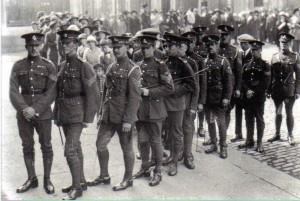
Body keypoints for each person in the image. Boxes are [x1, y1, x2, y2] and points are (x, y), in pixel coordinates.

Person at [88, 35, 141, 191]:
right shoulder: (111, 67)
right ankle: (104, 175)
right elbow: (106, 93)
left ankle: (128, 178)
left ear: (127, 47)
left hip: (123, 117)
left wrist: (128, 120)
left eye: (119, 47)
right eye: (114, 47)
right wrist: (101, 114)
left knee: (127, 149)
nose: (116, 50)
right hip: (109, 116)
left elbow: (134, 98)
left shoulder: (133, 69)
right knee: (100, 145)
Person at [9, 32, 57, 194]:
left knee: (46, 146)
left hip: (42, 113)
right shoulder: (18, 66)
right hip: (24, 113)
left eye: (37, 45)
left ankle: (47, 179)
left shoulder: (49, 65)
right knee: (27, 146)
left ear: (42, 45)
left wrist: (35, 109)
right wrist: (24, 109)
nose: (34, 48)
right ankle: (32, 178)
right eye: (31, 46)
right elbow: (13, 91)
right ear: (26, 47)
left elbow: (51, 92)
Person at [55, 29, 99, 200]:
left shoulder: (84, 66)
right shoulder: (63, 65)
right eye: (63, 44)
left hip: (77, 114)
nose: (65, 46)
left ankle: (77, 188)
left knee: (70, 150)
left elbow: (93, 94)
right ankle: (80, 182)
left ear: (76, 44)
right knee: (76, 147)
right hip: (65, 113)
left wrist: (88, 118)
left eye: (69, 43)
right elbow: (59, 92)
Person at [133, 34, 174, 186]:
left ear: (154, 47)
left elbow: (169, 88)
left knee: (156, 141)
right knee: (142, 140)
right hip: (140, 110)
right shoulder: (137, 65)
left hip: (155, 109)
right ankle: (144, 167)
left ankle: (157, 171)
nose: (144, 51)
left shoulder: (160, 65)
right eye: (142, 48)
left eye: (147, 48)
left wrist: (149, 92)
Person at [162, 32, 196, 175]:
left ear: (177, 47)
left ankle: (174, 163)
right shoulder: (164, 62)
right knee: (168, 132)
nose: (167, 49)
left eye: (170, 46)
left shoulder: (184, 64)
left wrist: (175, 91)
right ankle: (171, 156)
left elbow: (191, 85)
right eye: (167, 46)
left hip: (177, 104)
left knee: (176, 133)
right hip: (163, 103)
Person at [202, 34, 233, 159]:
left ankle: (223, 146)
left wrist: (226, 97)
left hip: (220, 99)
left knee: (221, 123)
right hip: (208, 99)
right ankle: (214, 143)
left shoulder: (223, 61)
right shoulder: (204, 62)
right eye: (208, 45)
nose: (210, 48)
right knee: (210, 121)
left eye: (212, 45)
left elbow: (228, 82)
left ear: (217, 46)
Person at [267, 32, 300, 146]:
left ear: (290, 43)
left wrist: (297, 91)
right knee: (278, 112)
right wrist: (268, 90)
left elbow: (299, 75)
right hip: (277, 89)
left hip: (289, 89)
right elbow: (270, 75)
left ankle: (290, 135)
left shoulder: (295, 56)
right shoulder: (274, 56)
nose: (283, 45)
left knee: (289, 112)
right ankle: (277, 134)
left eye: (286, 43)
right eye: (282, 42)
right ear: (279, 42)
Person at [238, 40, 271, 152]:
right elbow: (242, 80)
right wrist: (247, 90)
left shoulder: (265, 65)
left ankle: (260, 142)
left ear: (261, 50)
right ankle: (249, 140)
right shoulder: (247, 65)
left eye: (256, 50)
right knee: (248, 118)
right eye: (252, 50)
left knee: (259, 119)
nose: (254, 52)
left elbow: (265, 82)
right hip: (248, 97)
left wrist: (254, 92)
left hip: (258, 97)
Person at [177, 34, 200, 169]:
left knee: (188, 128)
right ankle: (179, 152)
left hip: (188, 101)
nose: (180, 49)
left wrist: (194, 106)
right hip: (177, 102)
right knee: (177, 128)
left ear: (186, 48)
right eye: (178, 46)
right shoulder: (174, 62)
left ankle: (188, 155)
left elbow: (196, 86)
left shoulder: (192, 63)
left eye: (182, 46)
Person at [217, 25, 242, 134]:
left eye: (226, 35)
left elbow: (239, 72)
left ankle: (223, 134)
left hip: (229, 86)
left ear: (230, 36)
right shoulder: (215, 48)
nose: (223, 37)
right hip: (216, 85)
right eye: (222, 35)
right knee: (215, 111)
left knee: (226, 111)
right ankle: (215, 136)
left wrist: (237, 88)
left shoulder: (235, 51)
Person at [231, 33, 255, 143]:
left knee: (249, 114)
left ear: (250, 44)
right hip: (240, 88)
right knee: (238, 111)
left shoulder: (253, 55)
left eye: (245, 44)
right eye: (241, 43)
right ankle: (238, 133)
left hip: (248, 89)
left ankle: (250, 137)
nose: (242, 46)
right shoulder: (239, 54)